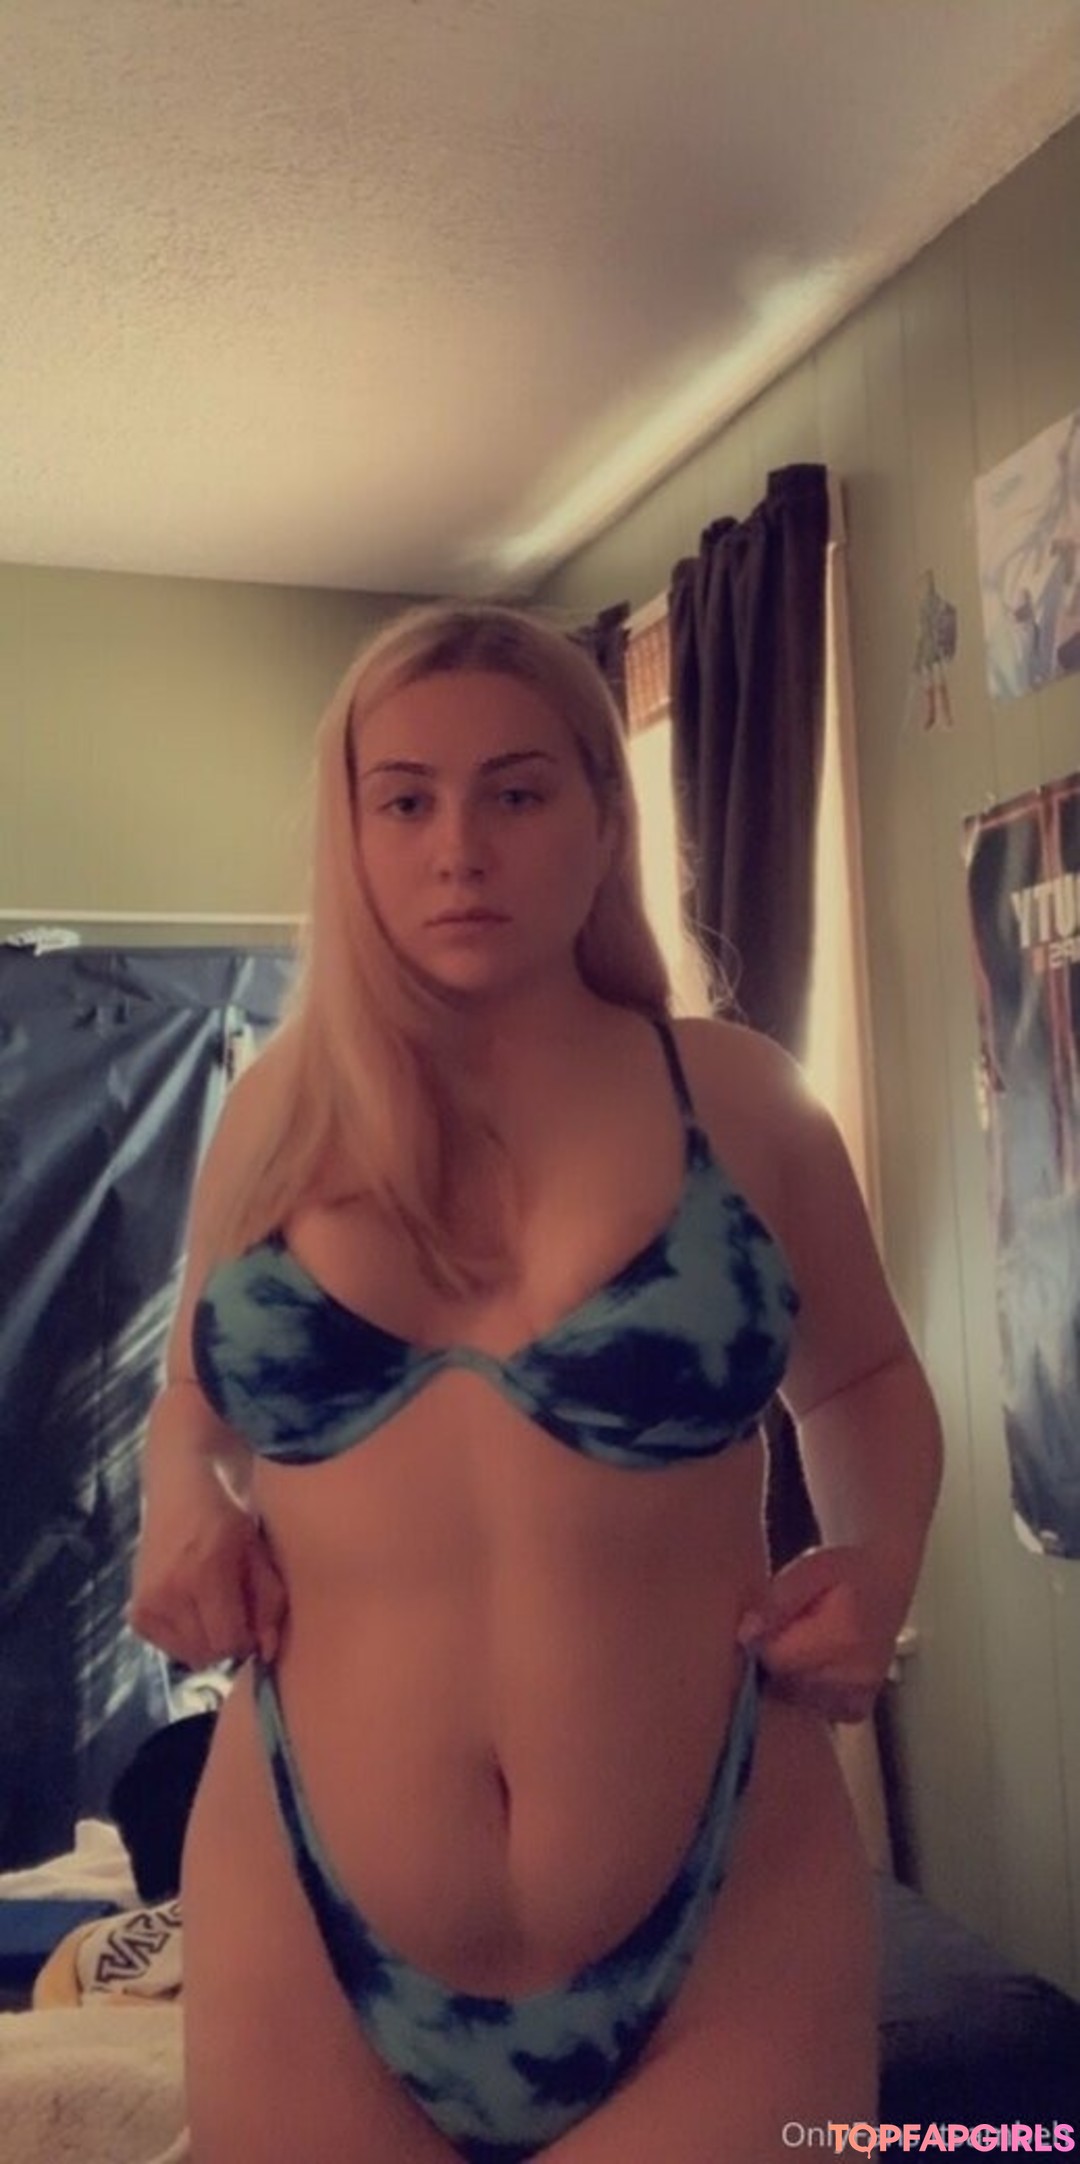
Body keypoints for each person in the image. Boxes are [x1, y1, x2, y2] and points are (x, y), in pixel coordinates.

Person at [129, 602, 942, 2164]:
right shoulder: (273, 1118)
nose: (460, 850)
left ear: (602, 817)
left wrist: (881, 1555)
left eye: (515, 792)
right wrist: (181, 1508)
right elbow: (191, 1408)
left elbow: (864, 1377)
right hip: (304, 1910)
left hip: (726, 1904)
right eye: (405, 801)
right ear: (351, 834)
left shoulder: (742, 1101)